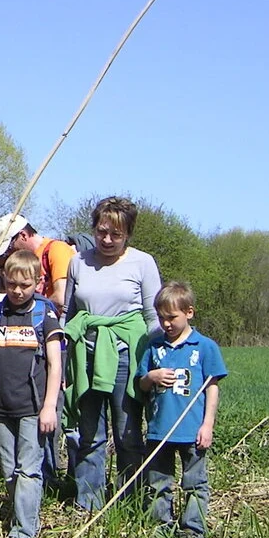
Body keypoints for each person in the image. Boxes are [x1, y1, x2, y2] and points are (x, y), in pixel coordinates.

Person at [63, 196, 162, 511]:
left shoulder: (142, 263)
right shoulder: (78, 261)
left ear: (128, 234)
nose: (106, 240)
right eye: (101, 231)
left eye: (115, 234)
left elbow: (154, 316)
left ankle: (129, 501)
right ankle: (87, 504)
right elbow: (69, 313)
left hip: (125, 354)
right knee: (88, 433)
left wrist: (156, 357)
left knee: (127, 433)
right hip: (87, 355)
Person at [0, 251, 64, 538]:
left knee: (28, 469)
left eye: (24, 285)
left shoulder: (45, 314)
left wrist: (49, 406)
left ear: (38, 283)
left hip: (32, 408)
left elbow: (54, 363)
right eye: (12, 284)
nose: (18, 291)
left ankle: (24, 532)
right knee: (9, 469)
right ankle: (20, 514)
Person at [136, 282, 227, 538]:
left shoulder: (205, 347)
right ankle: (160, 529)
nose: (166, 324)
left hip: (191, 430)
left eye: (172, 317)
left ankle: (192, 532)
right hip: (159, 430)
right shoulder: (154, 347)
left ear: (189, 312)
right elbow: (140, 383)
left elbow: (212, 388)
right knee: (157, 483)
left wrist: (207, 425)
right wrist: (151, 377)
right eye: (162, 318)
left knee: (195, 484)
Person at [0, 213, 76, 311]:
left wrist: (28, 315)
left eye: (9, 247)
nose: (9, 252)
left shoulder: (57, 249)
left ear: (23, 235)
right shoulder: (23, 261)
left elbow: (61, 299)